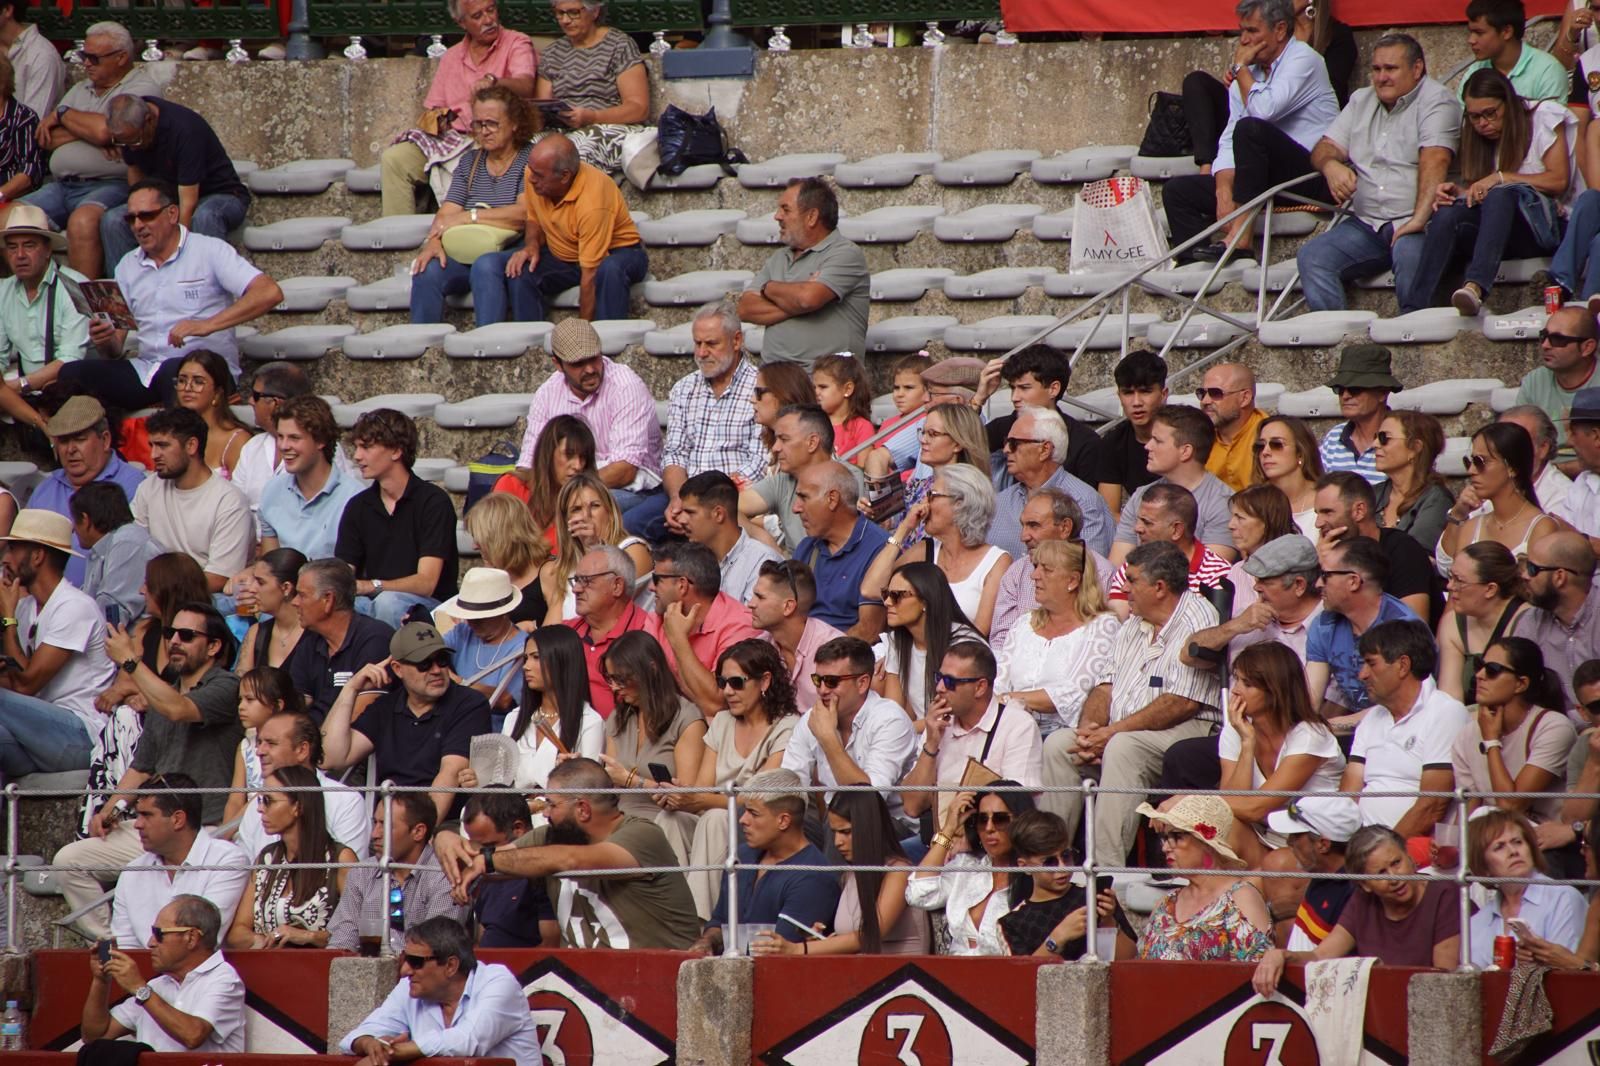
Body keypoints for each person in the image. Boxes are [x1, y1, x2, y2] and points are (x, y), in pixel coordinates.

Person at [1041, 541, 1223, 868]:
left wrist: (1111, 733)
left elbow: (1180, 703)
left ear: (1159, 587)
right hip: (1122, 729)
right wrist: (1090, 732)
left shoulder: (1198, 617)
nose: (1124, 589)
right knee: (1059, 744)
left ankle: (1105, 872)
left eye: (1133, 581)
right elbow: (1105, 685)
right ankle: (1049, 862)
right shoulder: (1134, 624)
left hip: (1186, 732)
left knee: (1124, 748)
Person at [438, 756, 702, 950]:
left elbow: (570, 859)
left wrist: (486, 861)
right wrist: (444, 838)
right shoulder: (551, 836)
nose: (545, 813)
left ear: (583, 809)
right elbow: (494, 863)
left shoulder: (643, 835)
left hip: (658, 979)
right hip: (584, 982)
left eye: (551, 804)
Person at [68, 179, 282, 411]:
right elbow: (114, 349)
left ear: (172, 214)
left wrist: (206, 325)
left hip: (205, 371)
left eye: (147, 216)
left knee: (176, 371)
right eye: (131, 218)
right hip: (149, 370)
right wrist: (105, 339)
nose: (138, 225)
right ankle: (107, 444)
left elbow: (269, 292)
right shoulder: (127, 265)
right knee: (73, 374)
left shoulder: (209, 250)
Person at [1162, 0, 1338, 261]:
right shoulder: (1248, 73)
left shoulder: (1304, 58)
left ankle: (1242, 240)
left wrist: (1240, 69)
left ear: (1279, 30)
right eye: (1242, 31)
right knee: (1177, 191)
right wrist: (1223, 188)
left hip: (1310, 175)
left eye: (1252, 32)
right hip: (1263, 183)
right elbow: (1229, 135)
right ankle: (1192, 267)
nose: (1244, 40)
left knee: (1252, 128)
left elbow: (1264, 112)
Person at [1297, 34, 1461, 312]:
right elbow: (1324, 147)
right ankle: (1340, 341)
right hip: (1367, 223)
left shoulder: (1438, 101)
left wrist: (1418, 221)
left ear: (1417, 68)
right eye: (1376, 69)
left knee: (1410, 258)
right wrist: (1331, 166)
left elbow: (1436, 162)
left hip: (1419, 222)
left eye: (1391, 69)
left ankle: (1414, 346)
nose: (1382, 77)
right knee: (1313, 256)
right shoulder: (1361, 99)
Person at [1412, 70, 1573, 315]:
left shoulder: (1542, 116)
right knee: (1447, 215)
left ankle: (1475, 287)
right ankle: (1414, 309)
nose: (1483, 124)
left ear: (1508, 103)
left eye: (1490, 113)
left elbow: (1558, 180)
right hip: (1499, 231)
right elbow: (1486, 200)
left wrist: (1502, 177)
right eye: (1475, 117)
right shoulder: (1480, 140)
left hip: (1544, 228)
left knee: (1501, 193)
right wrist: (1461, 193)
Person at [18, 21, 156, 278]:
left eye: (93, 57)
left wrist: (65, 115)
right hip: (62, 184)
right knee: (12, 219)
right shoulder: (80, 89)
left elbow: (108, 130)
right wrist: (89, 131)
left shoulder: (141, 88)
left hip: (112, 182)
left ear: (122, 57)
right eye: (83, 55)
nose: (86, 63)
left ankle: (82, 310)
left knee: (82, 222)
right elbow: (46, 137)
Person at [1217, 641, 1345, 915]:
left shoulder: (1311, 735)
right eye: (1236, 679)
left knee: (1256, 880)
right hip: (1264, 839)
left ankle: (1233, 905)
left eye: (1247, 684)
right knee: (1222, 828)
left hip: (1311, 846)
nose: (1236, 690)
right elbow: (1232, 803)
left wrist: (1190, 801)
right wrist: (1248, 743)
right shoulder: (1238, 730)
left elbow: (1255, 807)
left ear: (1275, 691)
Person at [1252, 826, 1461, 994]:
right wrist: (1281, 955)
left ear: (1410, 859)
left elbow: (1443, 980)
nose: (1394, 878)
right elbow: (1321, 956)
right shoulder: (1363, 901)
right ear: (1365, 885)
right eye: (1380, 873)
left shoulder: (1443, 895)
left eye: (1396, 863)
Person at [678, 639, 799, 919]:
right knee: (671, 821)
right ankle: (677, 922)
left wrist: (698, 799)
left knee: (715, 819)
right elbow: (702, 787)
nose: (727, 691)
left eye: (736, 682)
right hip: (715, 816)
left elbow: (763, 798)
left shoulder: (787, 726)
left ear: (765, 681)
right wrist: (679, 797)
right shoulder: (721, 721)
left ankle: (703, 924)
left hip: (760, 819)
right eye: (722, 682)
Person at [380, 0, 535, 217]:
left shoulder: (516, 42)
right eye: (478, 16)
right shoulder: (451, 57)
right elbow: (433, 110)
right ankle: (397, 236)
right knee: (394, 159)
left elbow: (526, 85)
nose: (488, 20)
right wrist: (440, 119)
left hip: (493, 136)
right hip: (453, 138)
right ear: (461, 22)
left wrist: (494, 81)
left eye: (491, 10)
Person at [322, 621, 490, 820]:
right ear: (398, 669)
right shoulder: (385, 707)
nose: (436, 670)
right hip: (388, 822)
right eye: (424, 664)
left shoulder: (469, 704)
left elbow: (449, 774)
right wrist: (351, 689)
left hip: (440, 825)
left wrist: (420, 835)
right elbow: (330, 758)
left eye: (442, 660)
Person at [409, 86, 539, 327]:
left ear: (514, 124)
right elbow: (446, 213)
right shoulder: (470, 161)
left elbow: (524, 213)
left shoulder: (529, 158)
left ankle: (487, 345)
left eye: (491, 124)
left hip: (510, 248)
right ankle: (420, 349)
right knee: (426, 270)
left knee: (485, 265)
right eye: (478, 124)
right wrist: (434, 241)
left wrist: (470, 216)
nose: (484, 132)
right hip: (465, 251)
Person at [0, 509, 115, 778]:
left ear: (38, 556)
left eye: (14, 549)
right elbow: (16, 679)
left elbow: (26, 685)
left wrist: (7, 618)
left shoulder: (74, 606)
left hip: (80, 736)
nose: (5, 558)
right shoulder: (25, 606)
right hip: (37, 733)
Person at [105, 603, 242, 827]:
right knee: (71, 857)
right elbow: (141, 769)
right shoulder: (164, 693)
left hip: (205, 827)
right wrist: (108, 812)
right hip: (157, 824)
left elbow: (179, 709)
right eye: (170, 633)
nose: (175, 641)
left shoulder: (228, 685)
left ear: (213, 646)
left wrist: (130, 661)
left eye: (187, 635)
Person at [515, 317, 662, 524]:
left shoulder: (625, 385)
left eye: (594, 358)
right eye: (578, 364)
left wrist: (565, 495)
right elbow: (528, 465)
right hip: (568, 487)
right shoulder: (547, 393)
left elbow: (624, 471)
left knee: (579, 511)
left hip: (632, 490)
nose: (591, 369)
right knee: (514, 508)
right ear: (558, 364)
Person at [342, 915, 540, 1063]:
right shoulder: (410, 988)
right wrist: (371, 1045)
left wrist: (398, 1052)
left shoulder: (498, 981)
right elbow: (356, 1036)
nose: (404, 970)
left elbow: (467, 1040)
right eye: (404, 959)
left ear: (451, 966)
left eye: (415, 962)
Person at [646, 301, 766, 544]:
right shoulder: (684, 388)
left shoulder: (761, 387)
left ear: (737, 340)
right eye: (697, 343)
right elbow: (675, 453)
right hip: (685, 494)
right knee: (632, 524)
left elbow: (758, 464)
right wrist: (679, 499)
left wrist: (702, 502)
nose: (701, 353)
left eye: (711, 344)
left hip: (733, 499)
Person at [759, 791, 930, 958]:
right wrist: (821, 941)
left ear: (868, 829)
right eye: (834, 832)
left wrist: (799, 949)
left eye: (846, 832)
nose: (837, 842)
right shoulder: (850, 875)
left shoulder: (898, 872)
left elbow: (872, 934)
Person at [337, 408, 461, 628]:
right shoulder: (358, 506)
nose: (357, 456)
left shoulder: (433, 502)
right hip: (374, 603)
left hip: (430, 609)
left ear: (395, 450)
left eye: (366, 447)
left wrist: (372, 586)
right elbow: (344, 572)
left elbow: (427, 583)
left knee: (388, 603)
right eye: (356, 447)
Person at [80, 895, 244, 1059]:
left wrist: (140, 989)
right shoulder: (157, 985)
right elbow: (94, 1037)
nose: (150, 942)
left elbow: (193, 1035)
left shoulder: (224, 979)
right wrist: (101, 981)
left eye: (158, 933)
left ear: (191, 937)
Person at [1342, 619, 1469, 831]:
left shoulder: (1446, 712)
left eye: (1371, 663)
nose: (1362, 674)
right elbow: (1349, 794)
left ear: (1403, 665)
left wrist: (1384, 850)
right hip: (1361, 842)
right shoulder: (1372, 718)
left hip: (1411, 848)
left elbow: (1433, 806)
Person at [901, 640, 1043, 828]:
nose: (940, 688)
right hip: (938, 840)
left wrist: (969, 839)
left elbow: (1018, 810)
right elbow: (912, 806)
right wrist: (931, 746)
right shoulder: (937, 725)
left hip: (987, 843)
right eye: (939, 677)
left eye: (950, 681)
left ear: (980, 687)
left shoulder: (1018, 726)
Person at [98, 98, 250, 273]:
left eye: (135, 142)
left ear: (149, 121)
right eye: (123, 144)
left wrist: (174, 257)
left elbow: (188, 203)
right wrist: (137, 210)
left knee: (205, 216)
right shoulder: (130, 133)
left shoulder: (185, 130)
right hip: (170, 198)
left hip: (221, 194)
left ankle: (206, 283)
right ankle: (125, 289)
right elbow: (135, 171)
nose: (130, 149)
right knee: (113, 220)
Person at [698, 768, 841, 954]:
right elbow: (719, 921)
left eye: (753, 813)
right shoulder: (741, 857)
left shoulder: (814, 877)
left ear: (783, 821)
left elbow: (778, 953)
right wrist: (707, 941)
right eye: (744, 811)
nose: (742, 820)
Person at [508, 134, 648, 321]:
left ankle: (608, 342)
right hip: (568, 255)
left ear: (565, 176)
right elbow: (533, 218)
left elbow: (590, 274)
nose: (531, 178)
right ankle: (529, 344)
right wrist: (531, 246)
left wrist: (581, 336)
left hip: (617, 253)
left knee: (610, 270)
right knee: (521, 270)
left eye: (539, 175)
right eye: (531, 170)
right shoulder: (533, 174)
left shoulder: (592, 202)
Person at [781, 636, 918, 824]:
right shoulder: (813, 718)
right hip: (835, 824)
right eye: (817, 680)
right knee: (764, 821)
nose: (822, 690)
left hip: (889, 827)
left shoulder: (890, 720)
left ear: (862, 683)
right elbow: (790, 785)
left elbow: (869, 803)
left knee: (846, 822)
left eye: (831, 681)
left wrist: (829, 740)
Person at [737, 177, 869, 370]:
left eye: (786, 209)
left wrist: (769, 288)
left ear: (812, 217)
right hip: (775, 381)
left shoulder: (845, 253)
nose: (777, 216)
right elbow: (745, 309)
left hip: (824, 384)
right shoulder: (778, 258)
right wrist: (798, 300)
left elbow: (808, 299)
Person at [995, 538, 1120, 742]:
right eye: (1036, 567)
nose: (1034, 575)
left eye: (1046, 569)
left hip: (1062, 735)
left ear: (1072, 581)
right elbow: (999, 684)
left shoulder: (1102, 626)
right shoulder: (1023, 624)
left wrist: (1008, 700)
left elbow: (1072, 693)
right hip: (1013, 730)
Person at [597, 630, 706, 858]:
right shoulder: (618, 718)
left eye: (622, 678)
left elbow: (686, 798)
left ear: (651, 669)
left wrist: (632, 781)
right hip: (618, 819)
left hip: (663, 822)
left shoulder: (687, 718)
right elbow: (611, 783)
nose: (615, 687)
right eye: (610, 679)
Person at [109, 774, 250, 948]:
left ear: (178, 819)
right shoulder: (132, 871)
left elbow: (201, 941)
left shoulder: (226, 860)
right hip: (142, 973)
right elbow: (125, 947)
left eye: (147, 815)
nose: (137, 824)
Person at [863, 465, 1007, 636]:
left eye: (932, 495)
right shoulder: (925, 550)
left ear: (959, 504)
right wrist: (904, 529)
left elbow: (980, 633)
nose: (923, 504)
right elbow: (870, 590)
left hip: (957, 658)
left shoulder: (996, 562)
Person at [226, 764, 358, 949]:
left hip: (321, 970)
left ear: (298, 806)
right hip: (270, 967)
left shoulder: (341, 860)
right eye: (260, 801)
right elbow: (237, 932)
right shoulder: (266, 859)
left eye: (269, 801)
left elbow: (359, 931)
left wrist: (308, 936)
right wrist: (263, 941)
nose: (260, 809)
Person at [1451, 637, 1575, 831]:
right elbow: (1470, 809)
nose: (1480, 675)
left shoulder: (1554, 728)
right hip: (1494, 841)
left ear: (1521, 684)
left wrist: (1492, 742)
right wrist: (1452, 846)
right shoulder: (1467, 735)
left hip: (1547, 843)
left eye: (1492, 670)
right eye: (1479, 665)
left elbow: (1511, 806)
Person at [1134, 795, 1274, 962]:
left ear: (1207, 845)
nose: (1165, 847)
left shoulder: (1240, 899)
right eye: (1165, 838)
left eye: (1177, 837)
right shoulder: (1164, 904)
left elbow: (1256, 970)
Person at [905, 782, 1038, 956]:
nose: (989, 828)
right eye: (982, 819)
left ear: (1021, 821)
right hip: (954, 972)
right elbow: (918, 894)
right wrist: (949, 829)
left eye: (1000, 819)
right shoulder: (966, 866)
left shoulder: (1037, 874)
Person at [131, 408, 253, 596]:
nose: (154, 455)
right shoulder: (148, 488)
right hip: (151, 595)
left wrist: (161, 594)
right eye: (152, 445)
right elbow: (133, 549)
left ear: (191, 446)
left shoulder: (229, 502)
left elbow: (218, 577)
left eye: (163, 446)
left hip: (204, 601)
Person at [326, 791, 466, 953]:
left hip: (418, 973)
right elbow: (341, 943)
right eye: (375, 823)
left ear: (418, 832)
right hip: (364, 972)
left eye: (385, 826)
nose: (374, 834)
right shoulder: (361, 873)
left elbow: (436, 948)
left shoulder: (444, 874)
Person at [32, 396, 150, 584]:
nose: (70, 449)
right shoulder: (45, 488)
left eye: (79, 439)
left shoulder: (135, 487)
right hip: (36, 606)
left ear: (105, 440)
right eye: (63, 441)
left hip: (104, 605)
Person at [236, 708, 370, 865]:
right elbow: (244, 871)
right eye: (259, 742)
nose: (259, 751)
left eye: (271, 743)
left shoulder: (345, 801)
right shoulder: (258, 805)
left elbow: (349, 878)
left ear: (302, 750)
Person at [1305, 537, 1420, 720]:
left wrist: (1329, 727)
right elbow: (1310, 701)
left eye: (1326, 575)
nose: (1318, 583)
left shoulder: (1402, 628)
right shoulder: (1324, 625)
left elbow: (1403, 708)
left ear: (1353, 581)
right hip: (1349, 732)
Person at [1110, 404, 1236, 567]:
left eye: (1157, 440)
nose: (1148, 446)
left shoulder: (1223, 504)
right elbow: (1117, 567)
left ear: (1185, 451)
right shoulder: (1141, 496)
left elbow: (1208, 574)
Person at [998, 810, 1134, 960]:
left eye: (1066, 856)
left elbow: (1131, 959)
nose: (1062, 867)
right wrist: (1057, 938)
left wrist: (1108, 923)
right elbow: (1021, 979)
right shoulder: (1012, 923)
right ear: (1024, 867)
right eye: (1050, 862)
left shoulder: (1092, 896)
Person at [0, 205, 87, 434]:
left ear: (48, 250)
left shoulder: (75, 287)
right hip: (18, 390)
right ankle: (40, 425)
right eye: (12, 247)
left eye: (29, 246)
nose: (19, 255)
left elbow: (70, 359)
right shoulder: (3, 290)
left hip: (65, 387)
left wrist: (20, 385)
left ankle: (43, 428)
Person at [534, 0, 650, 170]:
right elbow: (542, 106)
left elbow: (639, 108)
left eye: (573, 12)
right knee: (526, 149)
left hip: (609, 126)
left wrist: (592, 117)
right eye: (560, 13)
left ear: (594, 12)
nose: (565, 20)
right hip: (562, 129)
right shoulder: (553, 53)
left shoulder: (619, 45)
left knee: (572, 152)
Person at [991, 487, 1113, 650]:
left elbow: (1103, 642)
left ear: (1065, 528)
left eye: (1034, 526)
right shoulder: (1016, 572)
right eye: (1024, 526)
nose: (1023, 537)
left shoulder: (1101, 573)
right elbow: (1000, 641)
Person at [1440, 422, 1564, 578]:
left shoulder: (1542, 528)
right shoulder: (1471, 527)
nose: (1471, 471)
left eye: (1480, 462)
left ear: (1511, 467)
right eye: (1469, 462)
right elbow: (1450, 579)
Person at [993, 404, 1114, 562]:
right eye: (1006, 442)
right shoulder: (999, 502)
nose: (1006, 450)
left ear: (1044, 449)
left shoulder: (1083, 501)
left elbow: (1089, 570)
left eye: (1014, 443)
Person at [1466, 809, 1587, 969]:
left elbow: (1571, 976)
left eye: (1517, 842)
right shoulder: (1477, 923)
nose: (1513, 852)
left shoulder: (1563, 898)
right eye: (1499, 847)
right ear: (1484, 867)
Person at [1182, 533, 1325, 667]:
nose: (1256, 587)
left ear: (1299, 585)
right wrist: (1234, 626)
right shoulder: (1249, 617)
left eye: (1266, 581)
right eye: (1257, 580)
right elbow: (1187, 655)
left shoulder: (1328, 628)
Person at [1313, 473, 1438, 623]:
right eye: (1317, 513)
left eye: (1328, 512)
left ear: (1359, 511)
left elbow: (1411, 628)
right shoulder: (1328, 557)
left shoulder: (1403, 550)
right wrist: (1326, 568)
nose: (1318, 523)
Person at [741, 404, 867, 554]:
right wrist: (768, 544)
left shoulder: (848, 478)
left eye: (784, 439)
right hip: (798, 573)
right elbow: (727, 508)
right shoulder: (782, 480)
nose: (775, 448)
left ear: (812, 443)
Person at [975, 344, 1104, 490]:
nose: (1014, 397)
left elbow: (1087, 500)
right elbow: (956, 448)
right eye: (1012, 388)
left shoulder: (1085, 442)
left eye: (1024, 388)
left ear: (1053, 389)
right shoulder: (1002, 427)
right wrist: (979, 399)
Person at [490, 626, 603, 792]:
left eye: (536, 657)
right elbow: (499, 781)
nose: (526, 666)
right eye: (526, 658)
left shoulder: (590, 721)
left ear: (562, 661)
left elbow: (590, 792)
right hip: (513, 812)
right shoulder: (514, 718)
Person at [283, 557, 395, 722]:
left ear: (328, 600)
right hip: (308, 741)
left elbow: (358, 720)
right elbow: (294, 709)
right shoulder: (310, 643)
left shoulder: (375, 639)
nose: (294, 602)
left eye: (301, 595)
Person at [652, 541, 758, 715]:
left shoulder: (739, 627)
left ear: (682, 585)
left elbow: (717, 705)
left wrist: (678, 640)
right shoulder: (657, 618)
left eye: (657, 580)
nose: (651, 587)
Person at [563, 545, 667, 715]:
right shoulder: (566, 632)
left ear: (617, 586)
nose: (576, 589)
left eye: (586, 581)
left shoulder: (648, 633)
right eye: (576, 580)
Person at [790, 460, 890, 637]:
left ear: (832, 499)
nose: (795, 508)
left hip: (845, 658)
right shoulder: (807, 547)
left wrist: (817, 657)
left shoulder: (880, 550)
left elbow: (869, 631)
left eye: (804, 497)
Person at [257, 396, 362, 563]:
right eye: (280, 436)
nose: (283, 446)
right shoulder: (272, 490)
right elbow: (270, 566)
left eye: (294, 438)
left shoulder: (355, 498)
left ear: (320, 440)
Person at [539, 472, 653, 623]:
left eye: (594, 506)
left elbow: (610, 600)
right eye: (576, 509)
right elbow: (551, 632)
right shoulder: (562, 570)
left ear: (610, 512)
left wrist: (594, 546)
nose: (586, 515)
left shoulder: (633, 549)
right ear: (566, 521)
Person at [876, 562, 983, 722]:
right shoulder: (897, 641)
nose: (887, 602)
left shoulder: (963, 645)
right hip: (918, 733)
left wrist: (900, 732)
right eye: (886, 594)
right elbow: (893, 709)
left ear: (925, 601)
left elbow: (953, 717)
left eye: (897, 595)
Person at [1105, 483, 1234, 613]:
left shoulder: (1218, 574)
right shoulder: (1133, 565)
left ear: (1176, 530)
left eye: (1147, 522)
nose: (1137, 528)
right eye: (1138, 520)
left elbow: (1211, 628)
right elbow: (1118, 619)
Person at [882, 399, 990, 552]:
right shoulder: (917, 485)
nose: (923, 440)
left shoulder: (968, 492)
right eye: (923, 432)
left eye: (933, 434)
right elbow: (896, 528)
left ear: (957, 444)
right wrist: (878, 516)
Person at [1513, 532, 1600, 711]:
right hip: (1552, 729)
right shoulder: (1530, 622)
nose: (1524, 575)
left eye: (1532, 569)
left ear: (1560, 577)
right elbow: (1517, 690)